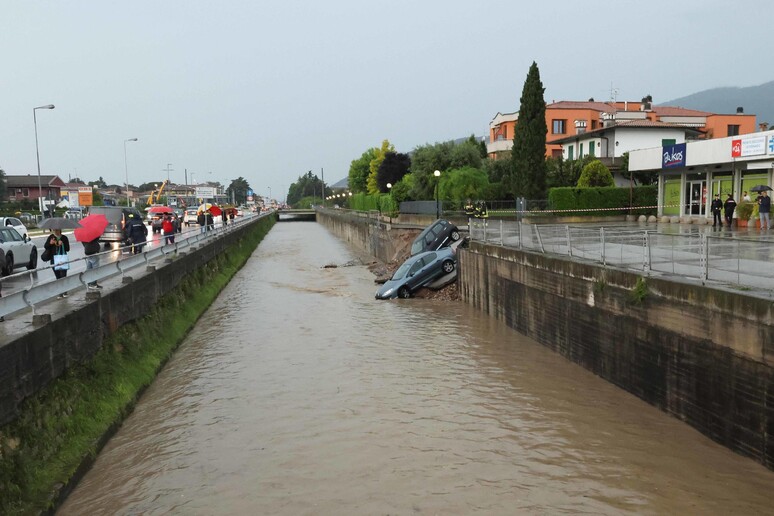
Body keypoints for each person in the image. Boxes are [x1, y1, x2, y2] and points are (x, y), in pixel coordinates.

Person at [44, 229, 70, 298]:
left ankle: (65, 291)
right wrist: (50, 243)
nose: (56, 231)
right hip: (54, 259)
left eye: (57, 230)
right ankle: (60, 292)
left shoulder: (64, 238)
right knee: (58, 276)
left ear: (60, 230)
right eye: (54, 230)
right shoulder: (51, 237)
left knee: (63, 275)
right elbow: (46, 246)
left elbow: (68, 249)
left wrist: (62, 244)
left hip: (62, 259)